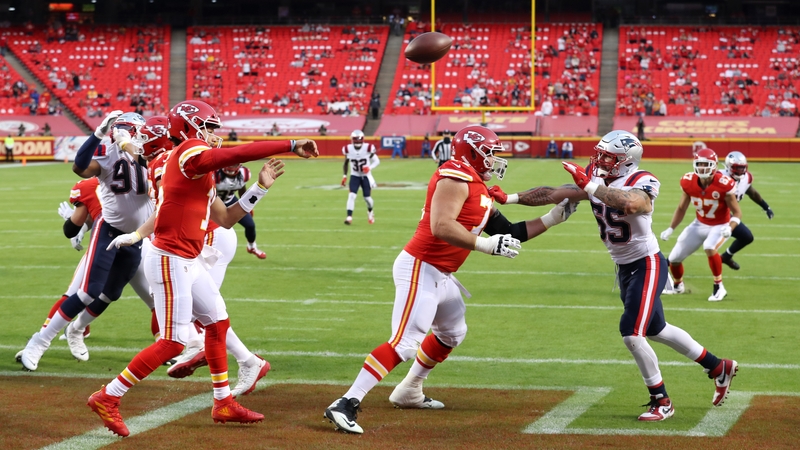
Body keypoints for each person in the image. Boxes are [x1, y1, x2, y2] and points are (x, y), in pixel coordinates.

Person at [324, 125, 579, 434]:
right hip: (421, 266)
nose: (495, 159)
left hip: (441, 273)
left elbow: (510, 232)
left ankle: (409, 390)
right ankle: (346, 402)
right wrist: (485, 244)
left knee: (452, 332)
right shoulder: (454, 177)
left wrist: (554, 218)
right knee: (405, 342)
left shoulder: (477, 185)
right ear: (472, 152)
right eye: (490, 152)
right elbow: (441, 226)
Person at [86, 100, 318, 437]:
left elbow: (224, 220)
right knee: (172, 342)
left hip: (186, 257)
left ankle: (223, 400)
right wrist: (292, 144)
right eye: (207, 127)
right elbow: (235, 155)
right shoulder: (188, 153)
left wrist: (260, 188)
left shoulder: (177, 163)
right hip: (170, 258)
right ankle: (108, 396)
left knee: (217, 322)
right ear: (188, 128)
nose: (213, 134)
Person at [489, 130, 738, 421]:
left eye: (608, 156)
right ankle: (718, 367)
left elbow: (631, 203)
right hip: (624, 267)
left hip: (648, 263)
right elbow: (555, 193)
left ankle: (662, 400)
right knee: (657, 329)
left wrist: (591, 187)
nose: (600, 159)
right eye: (601, 153)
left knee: (631, 333)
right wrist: (510, 198)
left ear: (626, 160)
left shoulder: (643, 179)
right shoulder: (596, 174)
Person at [18, 111, 153, 372]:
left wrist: (131, 147)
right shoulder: (109, 152)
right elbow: (79, 166)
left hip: (135, 237)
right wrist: (98, 133)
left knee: (111, 293)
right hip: (109, 230)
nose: (145, 137)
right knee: (88, 291)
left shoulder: (151, 156)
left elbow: (152, 169)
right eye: (138, 131)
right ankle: (39, 342)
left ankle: (76, 330)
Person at [660, 148, 742, 301]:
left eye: (707, 164)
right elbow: (681, 208)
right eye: (700, 164)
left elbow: (737, 213)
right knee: (674, 258)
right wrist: (671, 228)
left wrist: (729, 228)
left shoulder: (724, 183)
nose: (703, 168)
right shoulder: (688, 181)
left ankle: (719, 287)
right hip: (699, 223)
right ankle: (678, 286)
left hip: (719, 224)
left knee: (709, 247)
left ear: (715, 165)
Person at [719, 151, 774, 270]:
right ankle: (670, 262)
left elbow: (752, 193)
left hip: (728, 216)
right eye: (736, 168)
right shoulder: (718, 177)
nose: (740, 171)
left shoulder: (746, 178)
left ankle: (726, 257)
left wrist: (766, 207)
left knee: (747, 237)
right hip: (713, 216)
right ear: (728, 167)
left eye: (742, 168)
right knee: (706, 245)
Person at [214, 163, 268, 259]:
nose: (231, 169)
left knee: (250, 225)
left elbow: (242, 189)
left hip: (230, 200)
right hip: (213, 203)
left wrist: (247, 206)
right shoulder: (214, 174)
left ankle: (252, 247)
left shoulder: (244, 173)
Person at [341, 129, 379, 225]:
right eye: (356, 139)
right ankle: (349, 217)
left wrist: (369, 167)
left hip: (366, 176)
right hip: (355, 175)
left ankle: (370, 212)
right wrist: (344, 176)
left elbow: (377, 161)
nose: (357, 142)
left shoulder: (368, 148)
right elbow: (345, 163)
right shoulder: (348, 149)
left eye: (359, 139)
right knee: (351, 195)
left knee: (367, 199)